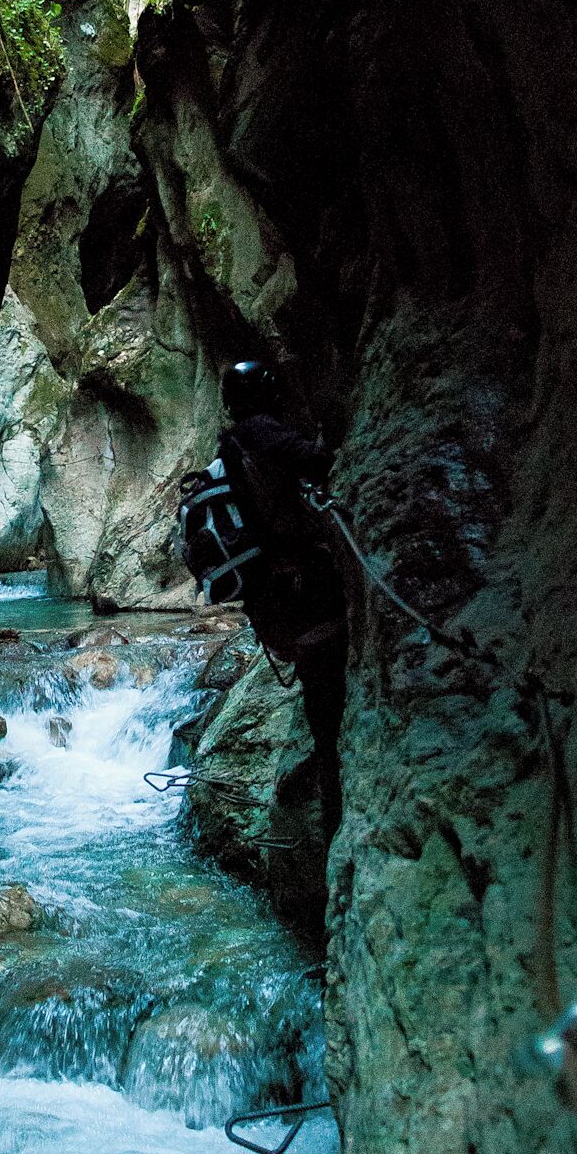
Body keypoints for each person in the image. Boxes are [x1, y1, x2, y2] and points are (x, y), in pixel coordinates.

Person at [217, 360, 348, 841]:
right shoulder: (260, 433)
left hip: (276, 596)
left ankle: (329, 817)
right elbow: (317, 458)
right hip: (303, 589)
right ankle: (334, 821)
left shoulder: (232, 444)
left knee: (323, 707)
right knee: (329, 708)